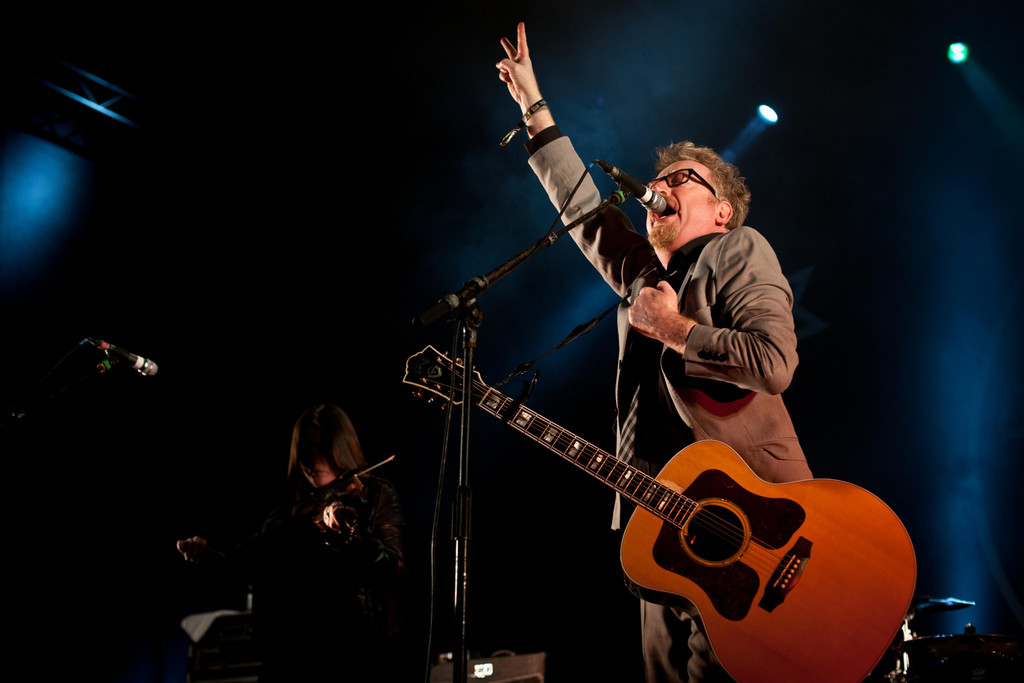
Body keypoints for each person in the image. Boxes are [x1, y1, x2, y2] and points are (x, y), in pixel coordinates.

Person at [496, 22, 813, 683]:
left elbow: (774, 363)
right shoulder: (645, 277)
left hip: (755, 530)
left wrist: (674, 329)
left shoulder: (739, 249)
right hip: (661, 523)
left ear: (722, 211)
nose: (659, 186)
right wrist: (534, 109)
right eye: (659, 178)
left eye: (683, 179)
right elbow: (588, 215)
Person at [176, 404, 406, 682]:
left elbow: (393, 564)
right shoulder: (293, 509)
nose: (308, 460)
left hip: (350, 648)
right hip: (288, 653)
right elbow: (247, 562)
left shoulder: (374, 494)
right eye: (302, 450)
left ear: (339, 447)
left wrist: (353, 534)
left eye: (318, 448)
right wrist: (207, 554)